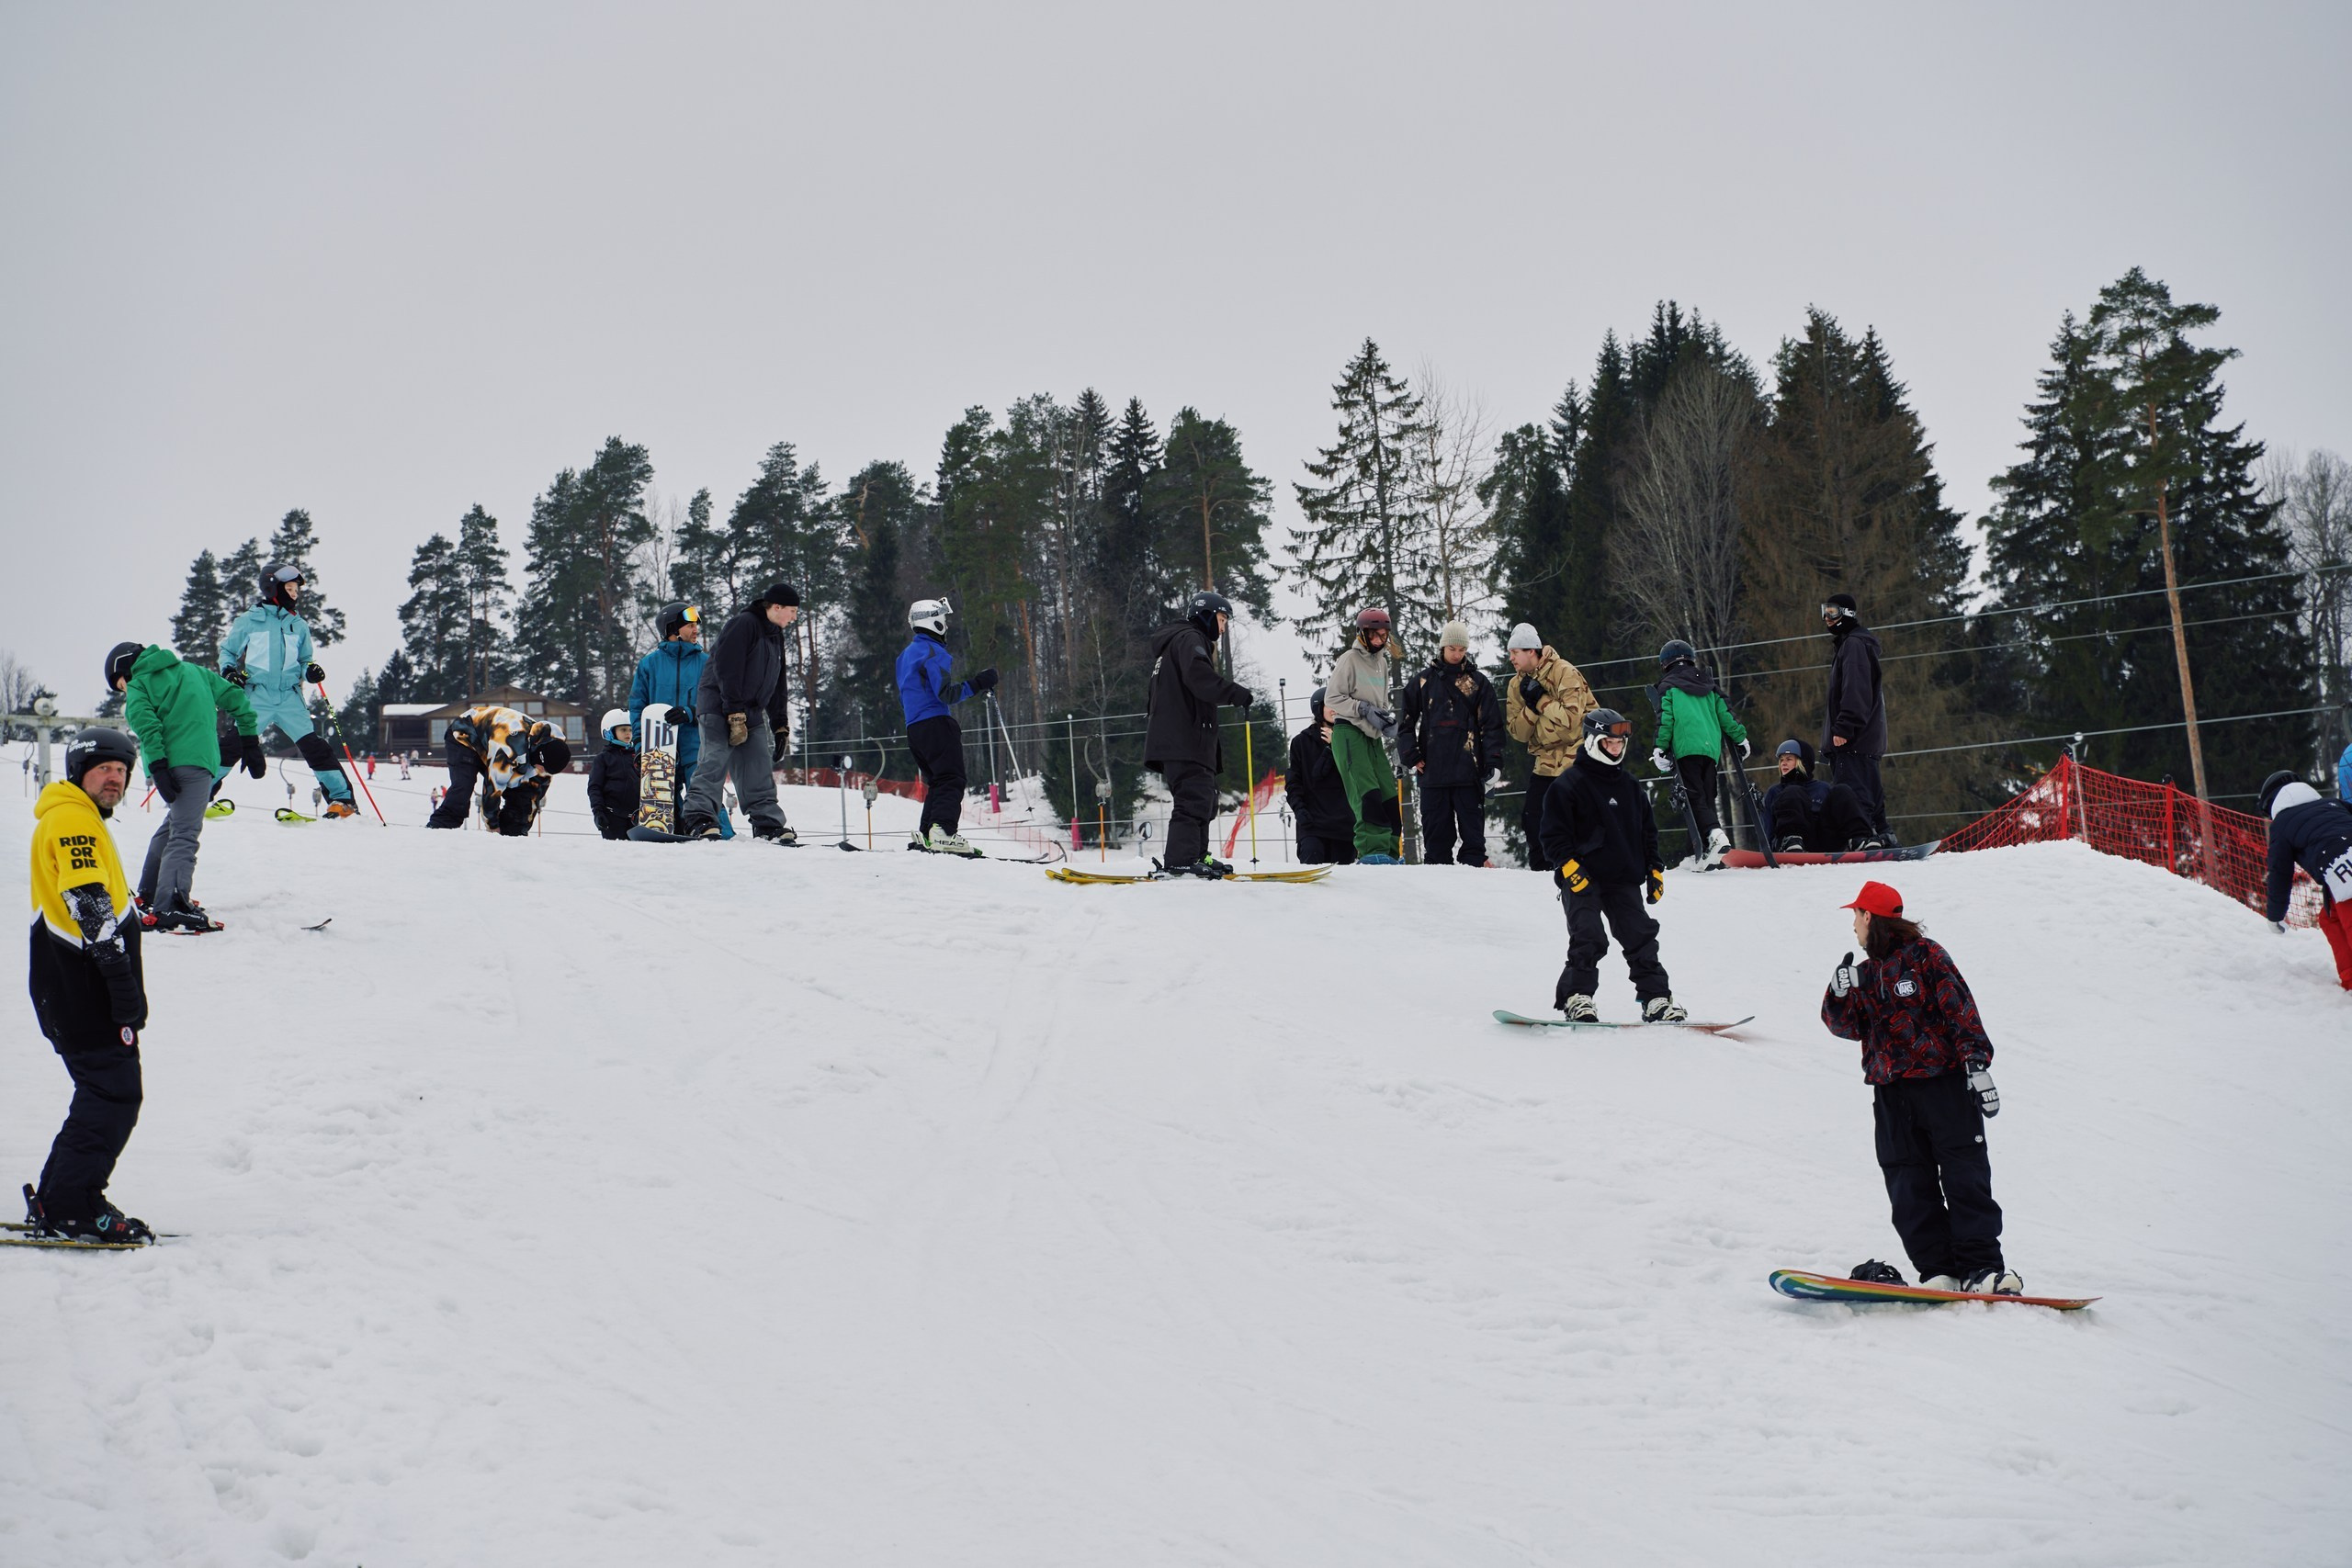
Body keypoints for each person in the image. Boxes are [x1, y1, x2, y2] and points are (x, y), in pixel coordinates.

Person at [1820, 879, 2018, 1296]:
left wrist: (1976, 1064)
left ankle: (1981, 1268)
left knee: (1965, 1176)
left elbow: (1959, 1008)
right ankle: (1938, 1271)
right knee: (1908, 1185)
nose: (1853, 925)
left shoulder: (1927, 956)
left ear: (1869, 916)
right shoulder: (1865, 973)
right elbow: (1846, 1027)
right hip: (1892, 1094)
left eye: (1856, 915)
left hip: (1943, 1085)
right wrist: (1837, 994)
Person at [23, 726, 154, 1244]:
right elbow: (87, 901)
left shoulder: (75, 817)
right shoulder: (72, 819)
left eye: (122, 771)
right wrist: (120, 982)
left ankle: (62, 1197)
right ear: (80, 772)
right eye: (104, 768)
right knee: (113, 1092)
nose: (115, 779)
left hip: (75, 983)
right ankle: (72, 1205)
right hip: (81, 984)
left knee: (103, 1091)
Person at [105, 640, 265, 934]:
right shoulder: (195, 672)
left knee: (176, 829)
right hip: (201, 764)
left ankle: (158, 897)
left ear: (127, 668)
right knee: (183, 832)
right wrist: (250, 740)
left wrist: (159, 767)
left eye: (121, 684)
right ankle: (169, 901)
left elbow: (148, 727)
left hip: (177, 765)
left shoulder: (140, 685)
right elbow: (237, 699)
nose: (125, 691)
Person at [1540, 708, 1685, 1022]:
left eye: (1620, 743)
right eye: (1610, 742)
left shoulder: (1631, 787)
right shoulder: (1568, 785)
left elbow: (1648, 833)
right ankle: (1577, 998)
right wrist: (1568, 867)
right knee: (1588, 935)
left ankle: (1657, 999)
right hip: (1582, 877)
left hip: (1622, 879)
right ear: (1593, 742)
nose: (1617, 748)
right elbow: (1552, 836)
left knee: (1640, 936)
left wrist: (1654, 868)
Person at [221, 560, 360, 818]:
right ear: (273, 587)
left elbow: (305, 659)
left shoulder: (299, 625)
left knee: (315, 747)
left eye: (297, 590)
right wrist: (228, 671)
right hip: (258, 695)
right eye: (291, 589)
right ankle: (199, 793)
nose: (295, 595)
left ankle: (342, 801)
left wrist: (310, 670)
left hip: (289, 697)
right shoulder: (250, 621)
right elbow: (228, 651)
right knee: (234, 744)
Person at [1144, 590, 1252, 877]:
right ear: (1205, 615)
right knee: (1193, 798)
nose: (1223, 626)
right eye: (1221, 619)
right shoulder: (1189, 639)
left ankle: (1196, 855)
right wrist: (1234, 693)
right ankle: (1180, 860)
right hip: (1183, 740)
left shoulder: (1177, 643)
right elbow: (1199, 679)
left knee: (1204, 797)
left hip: (1185, 739)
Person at [683, 582, 798, 842]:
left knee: (758, 766)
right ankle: (698, 819)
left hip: (751, 712)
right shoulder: (744, 624)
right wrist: (734, 713)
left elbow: (778, 681)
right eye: (792, 611)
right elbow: (727, 667)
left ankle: (767, 824)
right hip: (719, 706)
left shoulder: (775, 635)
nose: (794, 617)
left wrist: (780, 725)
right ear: (777, 607)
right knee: (714, 760)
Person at [1397, 620, 1506, 866]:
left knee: (1474, 847)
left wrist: (1494, 762)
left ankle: (1476, 895)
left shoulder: (1478, 683)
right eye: (1452, 649)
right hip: (1433, 775)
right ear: (1442, 647)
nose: (1457, 655)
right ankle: (1439, 900)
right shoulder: (1422, 682)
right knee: (1436, 850)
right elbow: (1404, 723)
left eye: (1462, 650)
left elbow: (1492, 727)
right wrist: (1411, 755)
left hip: (1469, 774)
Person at [896, 597, 998, 856]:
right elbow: (946, 694)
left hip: (914, 728)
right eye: (943, 619)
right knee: (952, 778)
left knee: (940, 781)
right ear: (934, 621)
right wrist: (979, 683)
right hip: (936, 723)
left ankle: (929, 832)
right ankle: (943, 831)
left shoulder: (905, 656)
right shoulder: (933, 651)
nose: (946, 625)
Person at [628, 602, 729, 840]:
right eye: (690, 625)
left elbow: (721, 700)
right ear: (673, 628)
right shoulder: (649, 665)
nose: (696, 630)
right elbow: (637, 707)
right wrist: (640, 744)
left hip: (697, 742)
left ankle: (722, 834)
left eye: (696, 625)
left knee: (704, 792)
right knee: (663, 795)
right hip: (660, 747)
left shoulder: (707, 663)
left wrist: (691, 712)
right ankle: (664, 831)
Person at [1502, 622, 1596, 871]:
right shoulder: (1515, 685)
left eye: (1515, 652)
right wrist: (1531, 708)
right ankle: (1540, 873)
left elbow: (1571, 722)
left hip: (1576, 760)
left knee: (1577, 820)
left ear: (1531, 651)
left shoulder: (1565, 672)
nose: (1510, 657)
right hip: (1544, 763)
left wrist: (1541, 700)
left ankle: (1582, 870)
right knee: (1533, 819)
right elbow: (1518, 733)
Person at [1648, 639, 1748, 868]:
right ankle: (1696, 851)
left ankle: (1714, 834)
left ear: (1665, 664)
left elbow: (1666, 719)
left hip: (1686, 749)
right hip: (1710, 751)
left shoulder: (1668, 687)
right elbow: (1726, 715)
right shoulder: (1709, 686)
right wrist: (1741, 738)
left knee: (1693, 798)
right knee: (1705, 798)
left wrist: (1659, 748)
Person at [1322, 606, 1401, 863]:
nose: (1379, 641)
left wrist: (1385, 717)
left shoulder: (1383, 663)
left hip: (1372, 736)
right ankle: (1372, 850)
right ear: (1363, 634)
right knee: (1367, 792)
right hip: (1349, 731)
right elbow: (1332, 698)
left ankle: (1390, 851)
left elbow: (1383, 699)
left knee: (1388, 793)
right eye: (1374, 635)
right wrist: (1362, 709)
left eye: (1383, 635)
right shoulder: (1349, 659)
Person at [2261, 769, 2352, 990]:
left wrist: (2275, 915)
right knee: (2329, 918)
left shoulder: (2282, 824)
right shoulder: (2334, 804)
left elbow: (2279, 873)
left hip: (2345, 876)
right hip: (2342, 873)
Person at [424, 705, 572, 834]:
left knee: (524, 794)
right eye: (542, 767)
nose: (542, 771)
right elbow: (493, 786)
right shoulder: (511, 747)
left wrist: (522, 825)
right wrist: (493, 825)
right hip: (466, 733)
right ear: (539, 757)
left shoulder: (548, 758)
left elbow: (534, 797)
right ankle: (442, 825)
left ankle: (512, 831)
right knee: (464, 784)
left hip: (492, 742)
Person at [1819, 592, 1890, 839]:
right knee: (1869, 792)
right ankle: (1883, 834)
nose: (1827, 618)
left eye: (1832, 612)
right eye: (1824, 612)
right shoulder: (1854, 643)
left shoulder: (1854, 645)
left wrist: (1844, 727)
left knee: (1853, 794)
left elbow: (1856, 689)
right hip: (1865, 740)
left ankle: (1864, 839)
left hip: (1853, 739)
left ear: (1847, 614)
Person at [1760, 739, 1881, 853]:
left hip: (1826, 840)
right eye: (1781, 760)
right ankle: (1791, 841)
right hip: (1795, 843)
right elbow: (1768, 827)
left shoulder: (1822, 788)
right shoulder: (1775, 791)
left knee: (1842, 790)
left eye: (1789, 759)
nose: (1784, 763)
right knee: (1793, 791)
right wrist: (1766, 851)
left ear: (1803, 762)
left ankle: (1859, 839)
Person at [1283, 688, 1358, 866]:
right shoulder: (1301, 742)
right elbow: (1294, 782)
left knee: (1342, 880)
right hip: (1312, 824)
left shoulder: (1353, 740)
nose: (1335, 709)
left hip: (1344, 826)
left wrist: (1338, 745)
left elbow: (1357, 776)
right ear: (1318, 708)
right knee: (1312, 866)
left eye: (1339, 705)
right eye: (1330, 705)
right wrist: (1300, 811)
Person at [586, 709, 640, 841]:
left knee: (640, 857)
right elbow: (594, 788)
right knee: (617, 856)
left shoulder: (640, 756)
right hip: (612, 817)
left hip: (638, 818)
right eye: (623, 730)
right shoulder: (603, 758)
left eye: (630, 730)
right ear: (610, 732)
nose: (628, 733)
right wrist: (598, 812)